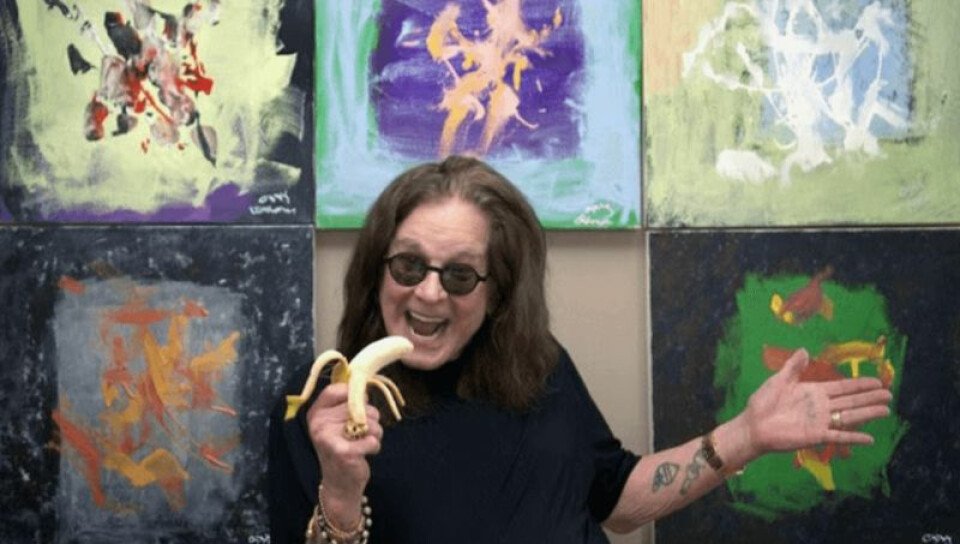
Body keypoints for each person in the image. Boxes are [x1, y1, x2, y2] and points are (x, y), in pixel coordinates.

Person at [268, 155, 892, 543]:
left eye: (459, 275)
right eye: (408, 265)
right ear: (377, 270)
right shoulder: (319, 408)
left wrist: (746, 434)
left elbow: (617, 502)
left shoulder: (537, 366)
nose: (428, 293)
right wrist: (341, 491)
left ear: (497, 291)